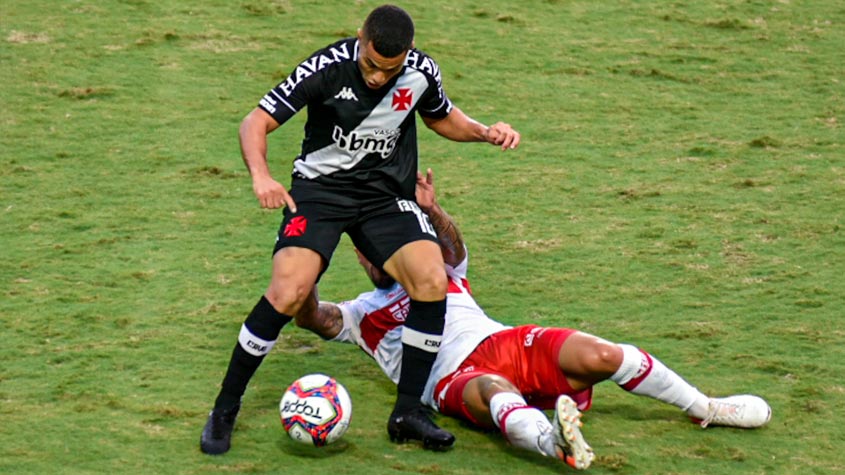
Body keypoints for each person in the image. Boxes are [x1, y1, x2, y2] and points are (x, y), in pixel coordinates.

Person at [200, 5, 521, 455]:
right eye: (369, 64)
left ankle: (408, 412)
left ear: (406, 54)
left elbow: (441, 116)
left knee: (430, 279)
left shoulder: (421, 71)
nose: (375, 78)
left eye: (387, 70)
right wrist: (261, 176)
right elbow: (255, 121)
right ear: (359, 38)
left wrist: (485, 132)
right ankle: (225, 408)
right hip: (320, 193)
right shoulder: (326, 67)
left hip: (384, 197)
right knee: (290, 292)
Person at [299, 169, 772, 469]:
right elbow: (314, 318)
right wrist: (307, 265)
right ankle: (554, 443)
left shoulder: (438, 272)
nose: (381, 256)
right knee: (493, 391)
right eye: (369, 252)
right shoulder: (363, 314)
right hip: (453, 379)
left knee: (605, 355)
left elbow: (456, 250)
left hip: (506, 342)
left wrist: (433, 210)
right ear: (362, 259)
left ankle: (706, 408)